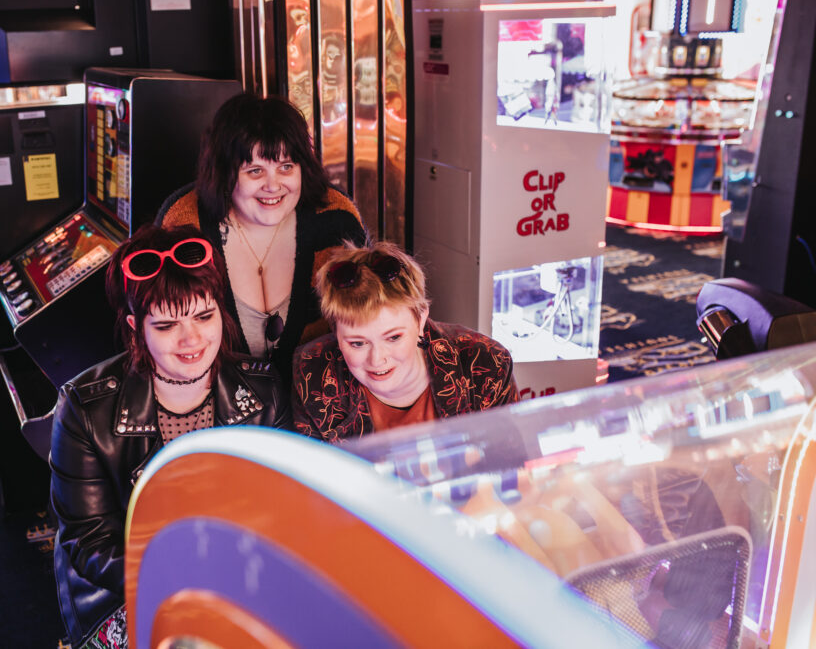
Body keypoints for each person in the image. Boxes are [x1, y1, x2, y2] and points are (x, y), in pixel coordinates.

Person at [49, 225, 291, 647]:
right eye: (166, 326)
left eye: (204, 315)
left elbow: (284, 512)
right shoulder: (86, 407)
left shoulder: (264, 390)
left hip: (241, 579)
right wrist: (183, 583)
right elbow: (89, 542)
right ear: (134, 326)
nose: (192, 339)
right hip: (129, 588)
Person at [156, 92, 367, 381]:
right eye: (255, 171)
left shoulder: (335, 218)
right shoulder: (185, 224)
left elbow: (366, 318)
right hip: (221, 406)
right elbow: (160, 330)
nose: (273, 185)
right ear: (224, 174)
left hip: (320, 405)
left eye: (286, 167)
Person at [293, 241, 518, 442]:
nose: (377, 359)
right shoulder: (312, 374)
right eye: (357, 343)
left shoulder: (486, 364)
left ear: (420, 320)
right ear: (336, 333)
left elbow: (512, 470)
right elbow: (309, 481)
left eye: (393, 337)